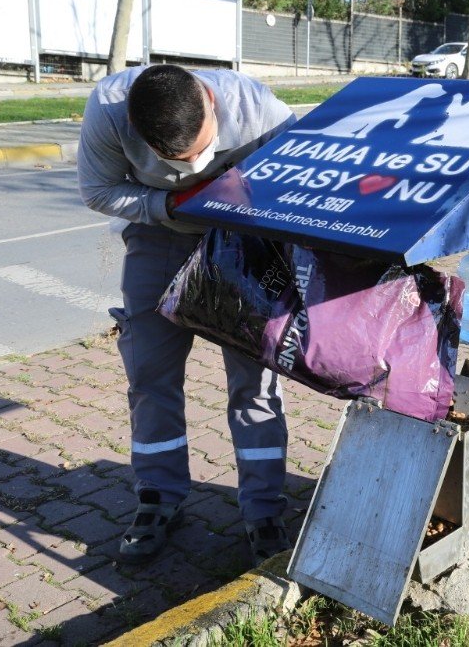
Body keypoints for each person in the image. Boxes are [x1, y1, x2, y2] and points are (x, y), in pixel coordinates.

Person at [77, 64, 297, 566]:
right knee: (149, 373)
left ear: (212, 103)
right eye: (176, 160)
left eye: (203, 149)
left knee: (254, 378)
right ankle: (158, 497)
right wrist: (171, 203)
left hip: (244, 239)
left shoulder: (259, 110)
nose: (194, 163)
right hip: (159, 234)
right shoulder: (109, 111)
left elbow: (297, 180)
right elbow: (98, 191)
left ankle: (264, 509)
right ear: (135, 128)